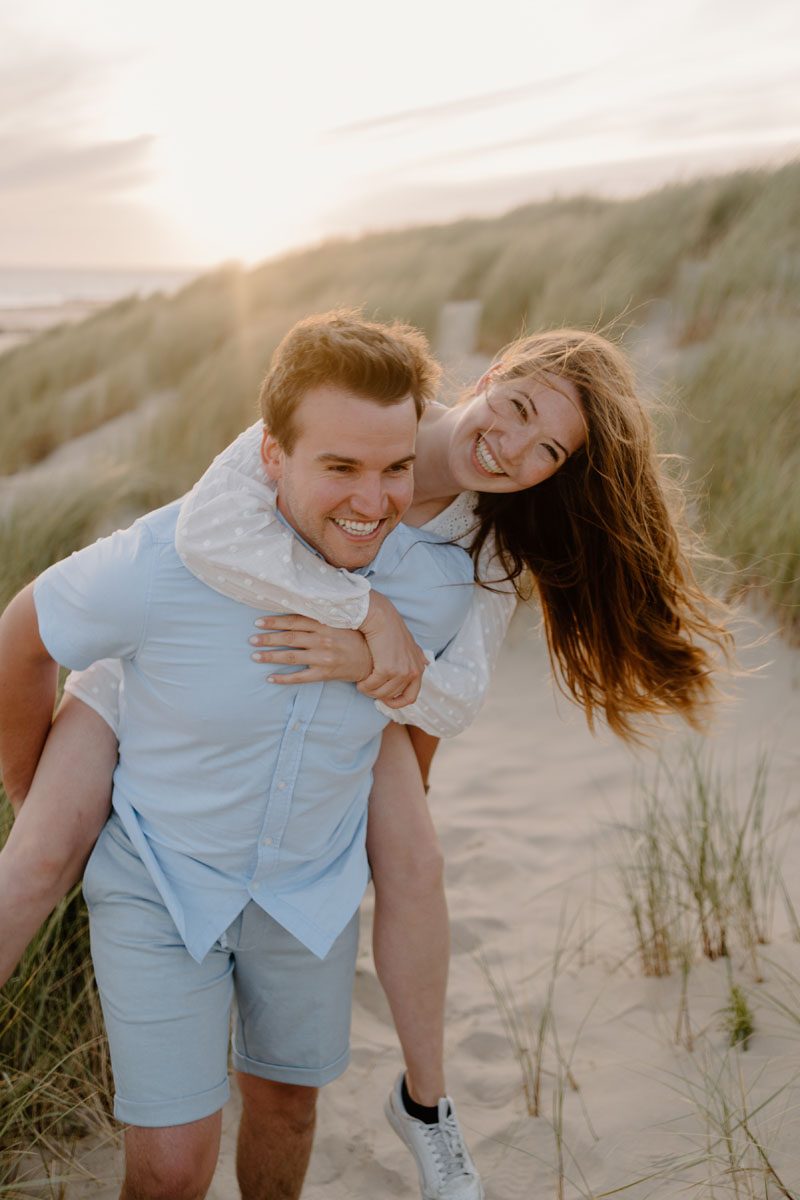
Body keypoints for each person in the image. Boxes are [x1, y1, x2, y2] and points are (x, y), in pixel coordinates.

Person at [0, 322, 732, 1198]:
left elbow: (450, 700)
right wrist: (367, 615)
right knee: (38, 858)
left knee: (413, 866)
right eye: (518, 409)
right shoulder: (321, 439)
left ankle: (428, 1105)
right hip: (141, 694)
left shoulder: (482, 546)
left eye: (548, 451)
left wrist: (366, 659)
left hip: (356, 725)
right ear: (493, 372)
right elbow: (204, 540)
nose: (513, 450)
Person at [0, 311, 480, 1200]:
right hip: (161, 882)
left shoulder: (435, 589)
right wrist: (35, 795)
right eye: (340, 467)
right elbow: (20, 641)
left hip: (310, 892)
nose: (373, 502)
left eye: (395, 469)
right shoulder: (164, 563)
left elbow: (415, 730)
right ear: (271, 456)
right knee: (175, 1164)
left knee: (288, 1108)